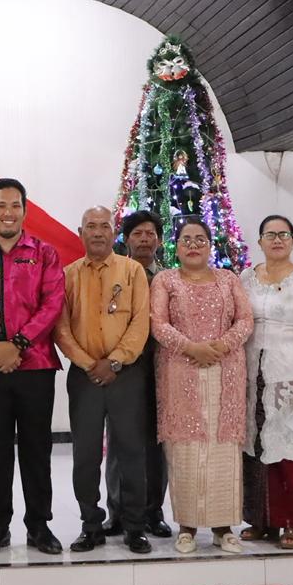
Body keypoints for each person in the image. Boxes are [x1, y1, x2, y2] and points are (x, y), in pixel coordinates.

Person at [0, 178, 65, 556]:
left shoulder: (44, 254)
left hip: (36, 366)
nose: (8, 212)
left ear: (25, 210)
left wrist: (17, 345)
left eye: (15, 205)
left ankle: (39, 526)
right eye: (0, 206)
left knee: (37, 450)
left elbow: (53, 303)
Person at [150, 217, 253, 555]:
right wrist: (191, 348)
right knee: (185, 449)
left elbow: (245, 320)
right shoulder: (165, 280)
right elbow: (158, 324)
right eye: (186, 239)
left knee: (224, 449)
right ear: (176, 246)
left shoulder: (228, 279)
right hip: (181, 372)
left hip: (226, 371)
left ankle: (224, 528)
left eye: (200, 239)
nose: (193, 245)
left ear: (210, 245)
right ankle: (187, 527)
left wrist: (222, 345)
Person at [54, 206, 153, 554]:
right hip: (85, 378)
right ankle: (91, 525)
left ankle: (135, 527)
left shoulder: (132, 271)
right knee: (85, 455)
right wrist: (88, 364)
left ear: (114, 232)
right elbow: (61, 328)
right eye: (91, 226)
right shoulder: (68, 275)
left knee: (131, 453)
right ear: (80, 232)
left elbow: (141, 322)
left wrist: (114, 361)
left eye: (104, 226)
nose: (97, 232)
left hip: (127, 375)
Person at [239, 215, 293, 551]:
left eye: (284, 234)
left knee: (291, 449)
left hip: (291, 376)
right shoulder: (246, 278)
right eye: (270, 234)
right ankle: (260, 520)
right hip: (252, 377)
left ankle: (292, 522)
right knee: (255, 447)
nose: (277, 240)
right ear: (259, 241)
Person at [119, 210, 172, 539]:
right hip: (123, 368)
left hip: (161, 368)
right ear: (126, 239)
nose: (143, 239)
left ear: (159, 240)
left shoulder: (168, 279)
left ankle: (154, 511)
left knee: (156, 443)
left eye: (150, 233)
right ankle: (118, 511)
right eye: (137, 233)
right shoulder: (116, 275)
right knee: (121, 442)